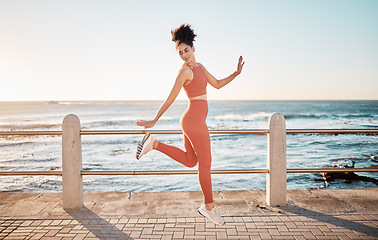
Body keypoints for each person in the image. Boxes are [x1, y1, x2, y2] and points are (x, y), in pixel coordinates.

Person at [135, 24, 244, 225]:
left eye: (186, 50)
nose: (184, 55)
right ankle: (209, 207)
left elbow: (217, 84)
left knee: (191, 161)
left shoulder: (200, 67)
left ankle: (155, 144)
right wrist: (154, 120)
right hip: (193, 121)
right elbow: (170, 98)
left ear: (193, 48)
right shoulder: (184, 72)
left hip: (194, 120)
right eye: (180, 53)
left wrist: (236, 73)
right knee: (206, 163)